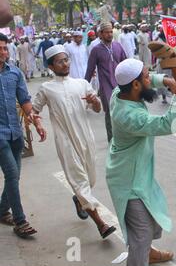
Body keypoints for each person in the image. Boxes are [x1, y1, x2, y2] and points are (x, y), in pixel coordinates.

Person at [106, 58, 176, 266]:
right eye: (145, 76)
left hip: (138, 170)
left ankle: (149, 253)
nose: (149, 78)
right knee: (141, 233)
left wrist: (166, 80)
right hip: (129, 180)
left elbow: (147, 78)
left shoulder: (120, 92)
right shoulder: (129, 115)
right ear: (135, 85)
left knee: (151, 219)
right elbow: (169, 124)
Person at [31, 45, 116, 239]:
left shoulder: (81, 84)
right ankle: (101, 224)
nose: (65, 64)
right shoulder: (46, 88)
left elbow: (96, 109)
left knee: (90, 180)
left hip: (86, 138)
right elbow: (34, 111)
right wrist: (38, 124)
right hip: (66, 141)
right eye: (60, 61)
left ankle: (79, 200)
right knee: (80, 182)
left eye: (66, 60)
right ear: (51, 66)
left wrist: (95, 101)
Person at [0, 33, 45, 238]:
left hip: (16, 133)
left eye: (4, 48)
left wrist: (36, 121)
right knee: (11, 174)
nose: (3, 52)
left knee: (15, 176)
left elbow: (25, 100)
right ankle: (20, 221)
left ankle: (1, 211)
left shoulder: (14, 73)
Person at [85, 23, 127, 142]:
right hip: (106, 86)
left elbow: (126, 63)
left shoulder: (117, 46)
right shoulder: (96, 50)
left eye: (110, 32)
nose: (109, 34)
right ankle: (112, 141)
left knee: (124, 111)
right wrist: (83, 88)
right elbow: (89, 70)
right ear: (100, 34)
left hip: (121, 85)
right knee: (110, 113)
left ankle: (124, 137)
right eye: (107, 32)